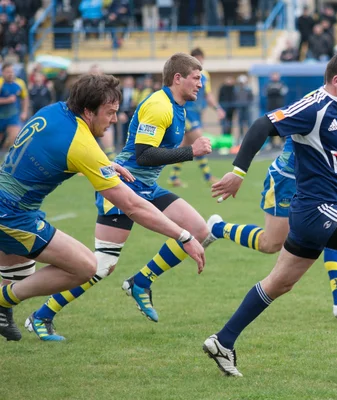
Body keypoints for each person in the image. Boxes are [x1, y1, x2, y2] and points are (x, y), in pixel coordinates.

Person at [202, 51, 337, 377]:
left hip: (316, 213)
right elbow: (261, 125)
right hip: (316, 209)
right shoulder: (313, 107)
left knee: (278, 284)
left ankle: (223, 340)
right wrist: (237, 173)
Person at [0, 73, 205, 341]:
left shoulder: (54, 111)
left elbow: (52, 150)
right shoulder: (81, 143)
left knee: (19, 272)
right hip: (13, 216)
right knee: (87, 266)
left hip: (11, 205)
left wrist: (102, 164)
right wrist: (183, 235)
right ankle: (5, 301)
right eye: (110, 113)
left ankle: (8, 310)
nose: (115, 119)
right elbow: (132, 205)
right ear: (88, 111)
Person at [169, 48, 225, 188]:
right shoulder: (184, 75)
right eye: (195, 59)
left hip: (197, 114)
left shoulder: (205, 75)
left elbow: (208, 95)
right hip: (186, 113)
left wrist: (217, 108)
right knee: (200, 140)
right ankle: (207, 176)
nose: (199, 61)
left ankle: (174, 176)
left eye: (200, 59)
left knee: (185, 146)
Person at [0, 63, 28, 150]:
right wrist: (7, 100)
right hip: (1, 116)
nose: (10, 74)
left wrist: (24, 112)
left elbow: (25, 98)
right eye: (8, 72)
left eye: (12, 71)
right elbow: (9, 99)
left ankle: (7, 158)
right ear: (3, 72)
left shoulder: (20, 83)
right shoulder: (0, 82)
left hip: (13, 116)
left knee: (14, 137)